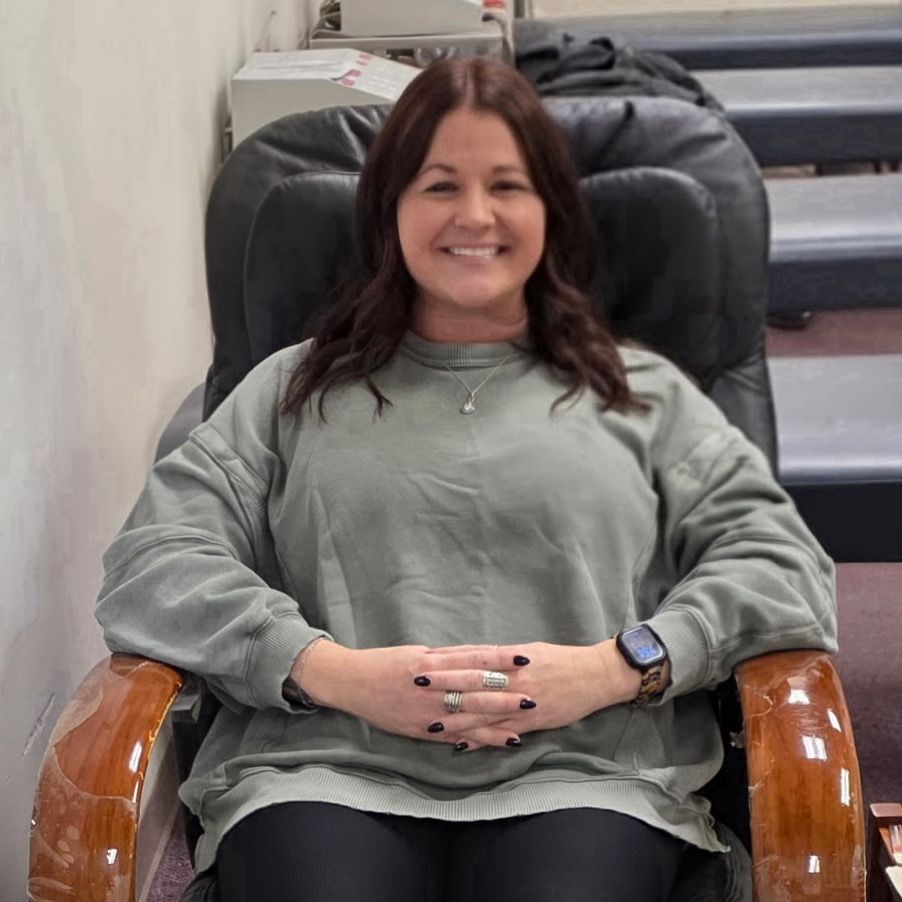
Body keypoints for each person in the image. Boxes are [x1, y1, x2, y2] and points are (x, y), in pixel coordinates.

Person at [96, 56, 836, 902]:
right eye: (439, 185)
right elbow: (152, 561)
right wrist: (328, 669)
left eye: (508, 186)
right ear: (390, 210)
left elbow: (783, 567)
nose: (475, 216)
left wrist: (619, 667)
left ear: (550, 210)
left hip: (589, 771)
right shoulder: (289, 390)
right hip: (323, 769)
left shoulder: (638, 394)